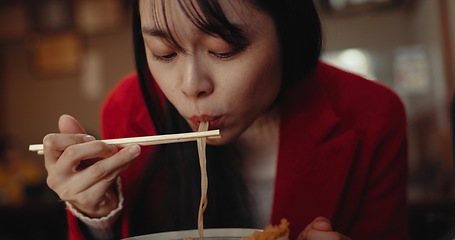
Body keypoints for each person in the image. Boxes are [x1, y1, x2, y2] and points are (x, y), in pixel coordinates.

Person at [42, 0, 409, 239]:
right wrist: (96, 212)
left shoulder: (372, 115)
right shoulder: (129, 107)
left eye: (224, 50)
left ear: (289, 34)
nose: (191, 86)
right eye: (164, 53)